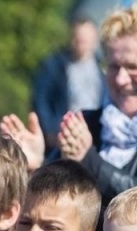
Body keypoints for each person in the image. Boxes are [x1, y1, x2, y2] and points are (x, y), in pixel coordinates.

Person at [4, 0, 137, 205]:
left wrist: (91, 162)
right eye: (114, 66)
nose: (121, 79)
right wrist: (38, 166)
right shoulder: (89, 125)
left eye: (134, 67)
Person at [32, 18, 104, 155]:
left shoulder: (103, 68)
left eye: (86, 40)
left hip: (94, 135)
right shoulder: (55, 66)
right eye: (79, 39)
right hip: (62, 134)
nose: (81, 44)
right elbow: (40, 99)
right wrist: (50, 130)